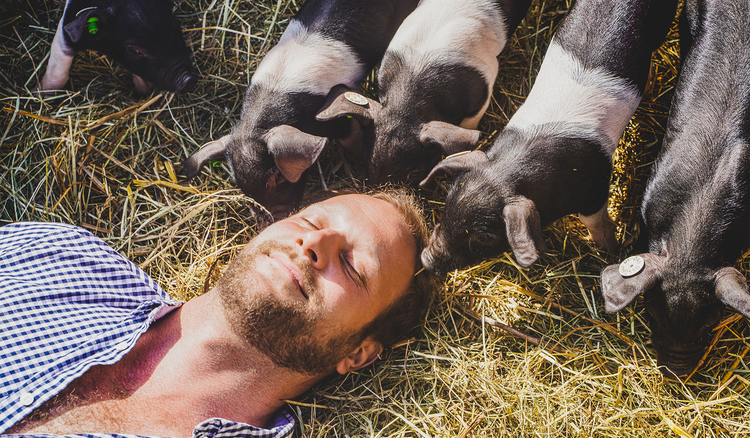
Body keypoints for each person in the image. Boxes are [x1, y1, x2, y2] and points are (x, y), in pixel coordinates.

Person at [0, 189, 434, 437]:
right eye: (309, 221)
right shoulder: (63, 256)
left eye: (355, 267)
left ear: (358, 353)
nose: (314, 244)